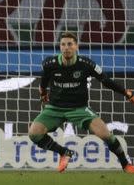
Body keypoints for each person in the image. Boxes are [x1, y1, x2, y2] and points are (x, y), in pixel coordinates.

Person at [29, 32, 134, 173]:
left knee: (106, 135)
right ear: (60, 47)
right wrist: (42, 92)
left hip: (79, 109)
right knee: (34, 133)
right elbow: (44, 80)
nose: (66, 47)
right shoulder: (50, 64)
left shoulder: (86, 64)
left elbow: (105, 80)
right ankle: (64, 153)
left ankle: (126, 164)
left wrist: (126, 93)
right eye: (63, 44)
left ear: (76, 46)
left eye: (70, 44)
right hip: (55, 108)